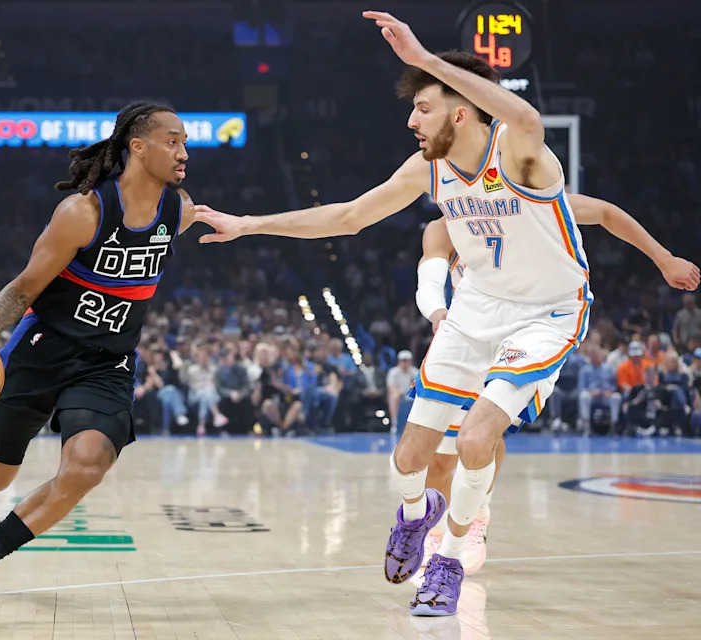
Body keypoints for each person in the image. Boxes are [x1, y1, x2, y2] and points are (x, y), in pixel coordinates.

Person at [193, 13, 700, 616]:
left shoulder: (523, 157)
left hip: (546, 314)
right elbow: (349, 216)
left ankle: (451, 558)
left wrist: (664, 258)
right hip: (475, 310)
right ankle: (415, 515)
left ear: (460, 111)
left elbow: (539, 132)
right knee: (408, 459)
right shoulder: (427, 170)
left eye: (424, 108)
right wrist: (249, 224)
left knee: (479, 435)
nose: (411, 121)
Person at [0, 102, 196, 628]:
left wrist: (256, 225)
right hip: (42, 353)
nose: (184, 152)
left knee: (86, 467)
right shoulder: (83, 213)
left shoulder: (177, 210)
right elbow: (23, 288)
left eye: (185, 143)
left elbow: (216, 219)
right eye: (172, 140)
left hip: (107, 364)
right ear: (138, 147)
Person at [413, 198, 698, 571]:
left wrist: (664, 258)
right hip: (469, 332)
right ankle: (438, 528)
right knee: (439, 459)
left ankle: (475, 516)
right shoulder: (442, 227)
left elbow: (607, 213)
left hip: (527, 330)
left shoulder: (529, 202)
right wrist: (438, 312)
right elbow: (429, 278)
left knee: (486, 432)